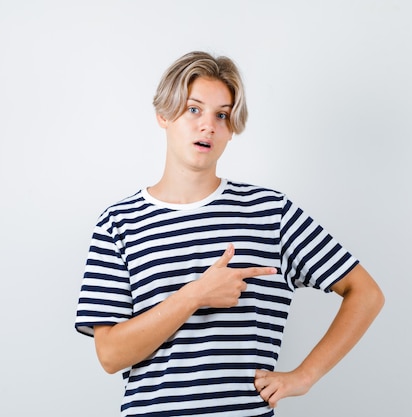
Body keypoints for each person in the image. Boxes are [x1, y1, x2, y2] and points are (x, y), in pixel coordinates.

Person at [75, 51, 384, 417]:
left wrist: (305, 376)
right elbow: (110, 355)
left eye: (221, 115)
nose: (208, 125)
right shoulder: (118, 222)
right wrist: (196, 294)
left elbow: (365, 293)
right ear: (163, 115)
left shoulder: (270, 213)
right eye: (193, 109)